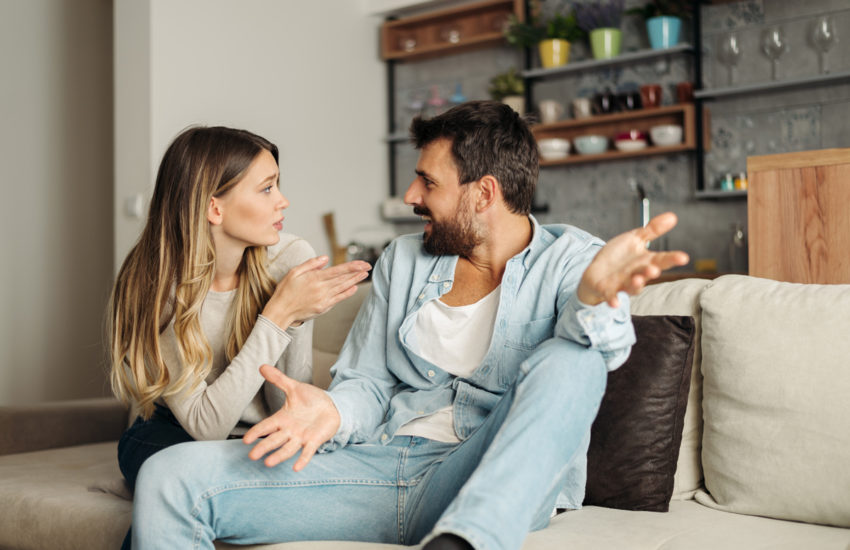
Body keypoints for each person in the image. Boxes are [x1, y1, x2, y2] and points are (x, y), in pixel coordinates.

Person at [130, 102, 689, 550]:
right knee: (168, 476)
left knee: (575, 356)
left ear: (484, 193)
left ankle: (466, 540)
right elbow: (366, 383)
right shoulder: (404, 259)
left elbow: (603, 354)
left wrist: (594, 300)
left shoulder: (572, 262)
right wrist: (332, 410)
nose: (410, 197)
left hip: (477, 475)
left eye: (427, 182)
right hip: (374, 467)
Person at [107, 126, 371, 547]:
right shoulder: (157, 285)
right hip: (170, 431)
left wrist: (295, 318)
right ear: (215, 208)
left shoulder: (291, 259)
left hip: (259, 432)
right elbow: (206, 429)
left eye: (278, 184)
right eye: (266, 189)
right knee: (176, 482)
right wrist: (278, 315)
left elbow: (284, 403)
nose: (283, 200)